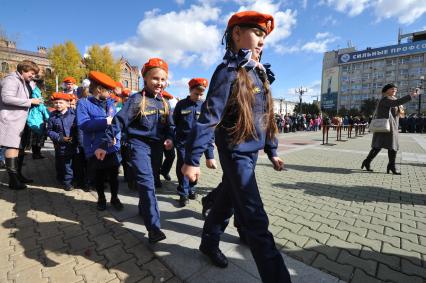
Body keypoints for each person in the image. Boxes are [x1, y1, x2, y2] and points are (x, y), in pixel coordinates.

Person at [181, 11, 292, 282]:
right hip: (234, 151)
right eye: (257, 33)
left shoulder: (259, 74)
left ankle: (208, 242)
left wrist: (273, 150)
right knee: (255, 218)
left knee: (228, 199)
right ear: (237, 34)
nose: (262, 41)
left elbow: (266, 116)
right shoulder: (227, 72)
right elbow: (209, 117)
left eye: (265, 36)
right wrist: (192, 159)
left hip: (251, 152)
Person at [95, 58, 174, 243]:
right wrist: (104, 145)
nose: (159, 83)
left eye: (163, 80)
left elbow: (170, 127)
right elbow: (118, 122)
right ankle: (154, 228)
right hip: (138, 146)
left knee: (151, 184)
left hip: (156, 149)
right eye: (155, 78)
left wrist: (170, 138)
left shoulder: (165, 103)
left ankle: (143, 208)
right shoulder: (136, 100)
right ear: (145, 78)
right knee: (147, 185)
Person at [77, 71, 123, 211]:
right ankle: (101, 199)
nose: (111, 93)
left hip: (112, 146)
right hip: (95, 146)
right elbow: (83, 124)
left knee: (114, 176)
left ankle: (114, 198)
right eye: (108, 90)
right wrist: (104, 122)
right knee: (99, 176)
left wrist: (117, 137)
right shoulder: (83, 103)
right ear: (99, 89)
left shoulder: (111, 104)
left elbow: (118, 124)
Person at [173, 78, 216, 207]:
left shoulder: (204, 106)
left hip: (197, 144)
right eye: (196, 93)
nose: (198, 97)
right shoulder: (181, 104)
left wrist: (210, 151)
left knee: (194, 166)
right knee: (183, 166)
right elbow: (174, 122)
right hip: (182, 142)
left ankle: (192, 188)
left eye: (201, 94)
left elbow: (208, 128)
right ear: (190, 90)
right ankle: (183, 193)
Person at [0, 60, 41, 190]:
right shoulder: (11, 80)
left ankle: (18, 175)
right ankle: (13, 180)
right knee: (12, 147)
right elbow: (6, 98)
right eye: (31, 73)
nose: (33, 75)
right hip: (11, 120)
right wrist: (30, 101)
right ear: (23, 70)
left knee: (20, 148)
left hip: (21, 121)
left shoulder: (25, 81)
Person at [361, 83, 419, 174]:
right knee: (378, 146)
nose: (394, 90)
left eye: (395, 89)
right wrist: (410, 96)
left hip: (393, 127)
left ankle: (391, 165)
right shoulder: (385, 99)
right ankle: (367, 162)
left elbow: (399, 111)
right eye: (392, 89)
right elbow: (395, 103)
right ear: (386, 90)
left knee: (392, 147)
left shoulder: (394, 99)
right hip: (385, 126)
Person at [47, 92, 77, 191]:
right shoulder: (52, 116)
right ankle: (64, 180)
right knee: (62, 163)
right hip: (60, 145)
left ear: (67, 103)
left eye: (61, 102)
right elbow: (49, 131)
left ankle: (69, 181)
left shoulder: (74, 114)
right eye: (56, 103)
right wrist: (60, 138)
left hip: (73, 144)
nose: (58, 105)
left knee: (70, 163)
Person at [26, 77, 50, 159]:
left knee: (36, 137)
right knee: (38, 137)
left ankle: (36, 153)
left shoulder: (36, 91)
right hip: (37, 117)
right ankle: (36, 154)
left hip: (35, 117)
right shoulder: (36, 92)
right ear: (41, 85)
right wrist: (48, 116)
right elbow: (40, 106)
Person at [158, 90, 176, 184]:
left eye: (167, 99)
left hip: (167, 137)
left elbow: (171, 125)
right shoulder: (156, 108)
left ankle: (164, 171)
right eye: (164, 99)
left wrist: (170, 138)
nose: (166, 101)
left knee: (171, 156)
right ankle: (156, 178)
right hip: (156, 138)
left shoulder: (170, 111)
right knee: (158, 158)